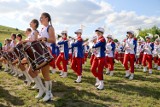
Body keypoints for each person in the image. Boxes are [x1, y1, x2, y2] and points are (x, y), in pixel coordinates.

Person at [38, 12, 56, 101]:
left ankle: (49, 94)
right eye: (40, 18)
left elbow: (53, 40)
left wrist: (43, 39)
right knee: (43, 72)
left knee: (45, 73)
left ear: (47, 18)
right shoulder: (42, 28)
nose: (40, 19)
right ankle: (46, 92)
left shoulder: (50, 27)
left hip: (46, 51)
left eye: (42, 18)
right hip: (41, 51)